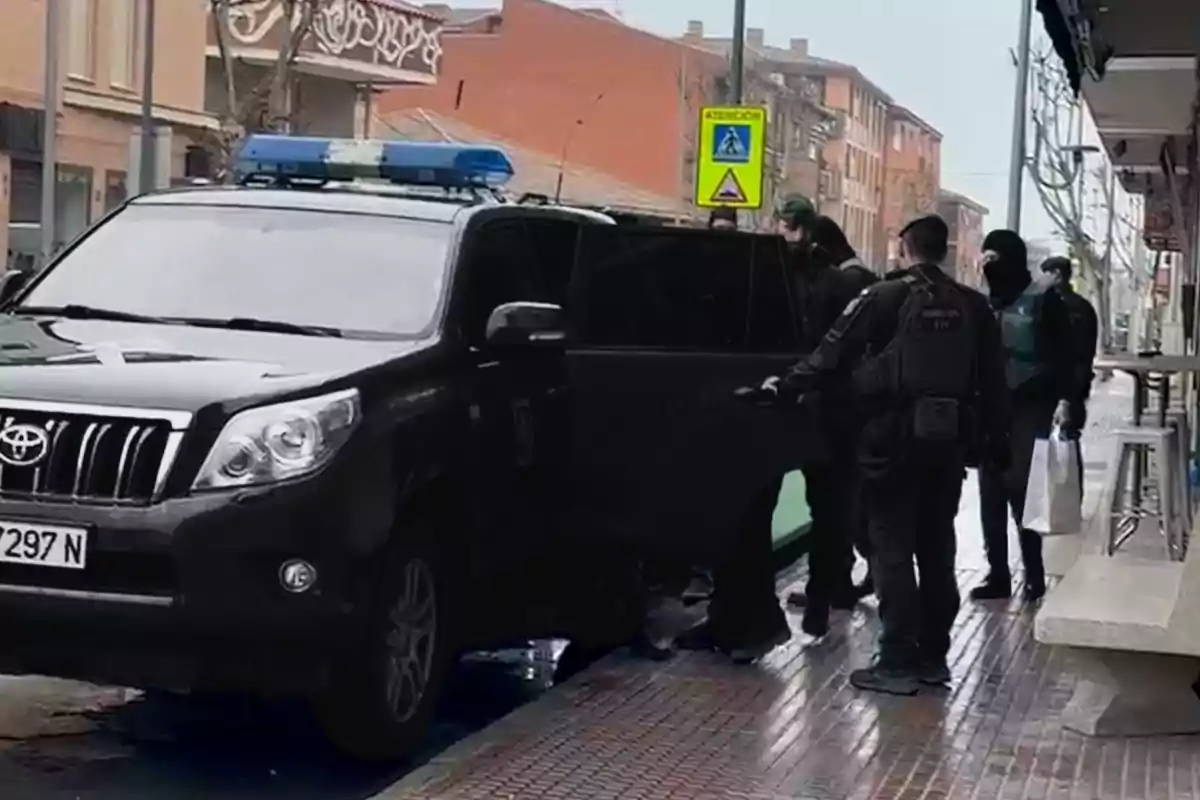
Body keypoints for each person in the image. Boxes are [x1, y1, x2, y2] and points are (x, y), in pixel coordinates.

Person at [738, 214, 1009, 695]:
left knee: (891, 550)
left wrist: (783, 385)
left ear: (905, 250)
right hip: (948, 443)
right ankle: (934, 657)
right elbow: (993, 383)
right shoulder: (974, 307)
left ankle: (897, 660)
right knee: (937, 547)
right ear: (943, 251)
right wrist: (994, 444)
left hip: (891, 442)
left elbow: (829, 356)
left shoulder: (883, 297)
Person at [774, 203, 866, 638]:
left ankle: (822, 593)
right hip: (842, 411)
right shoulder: (855, 284)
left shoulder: (828, 284)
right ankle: (826, 590)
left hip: (819, 408)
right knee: (834, 509)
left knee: (824, 506)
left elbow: (822, 349)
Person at [971, 231, 1077, 603]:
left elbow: (1067, 356)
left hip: (1030, 404)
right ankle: (997, 574)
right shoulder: (983, 302)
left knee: (1021, 491)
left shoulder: (1044, 301)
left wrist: (1067, 400)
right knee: (990, 492)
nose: (990, 270)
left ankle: (1034, 574)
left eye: (996, 260)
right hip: (989, 407)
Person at [1041, 255, 1098, 454]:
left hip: (1049, 388)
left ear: (1056, 275)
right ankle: (1072, 485)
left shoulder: (1048, 306)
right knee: (1070, 449)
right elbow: (1086, 353)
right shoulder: (1084, 307)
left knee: (1038, 450)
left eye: (1044, 274)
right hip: (1076, 387)